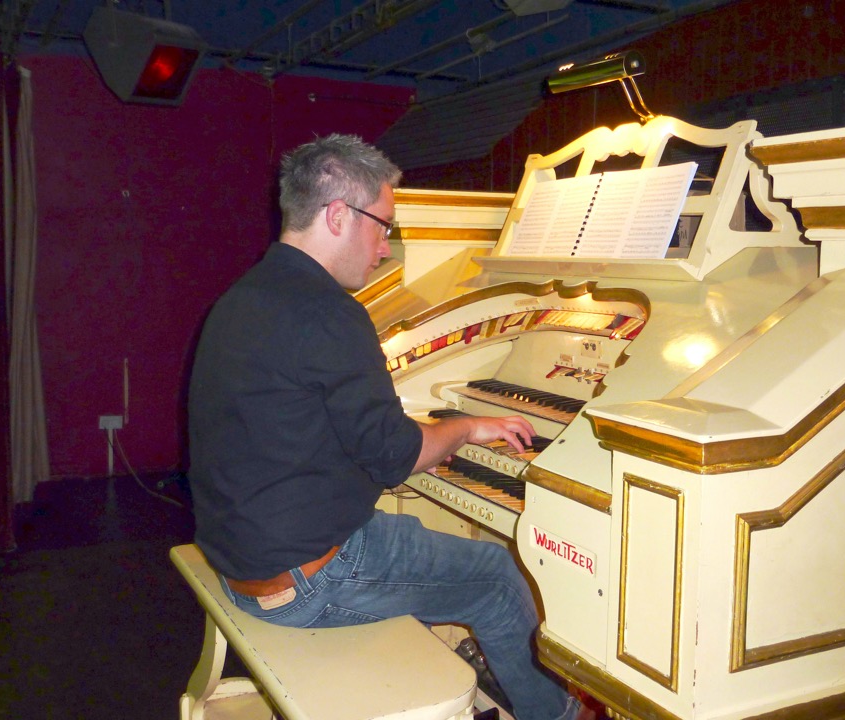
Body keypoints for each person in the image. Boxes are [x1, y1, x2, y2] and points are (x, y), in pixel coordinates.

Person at [188, 134, 588, 720]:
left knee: (423, 543)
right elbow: (398, 457)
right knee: (499, 577)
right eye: (383, 226)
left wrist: (420, 426)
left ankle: (462, 674)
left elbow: (302, 421)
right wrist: (468, 428)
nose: (384, 249)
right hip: (306, 579)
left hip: (245, 555)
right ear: (336, 215)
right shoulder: (330, 312)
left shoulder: (242, 297)